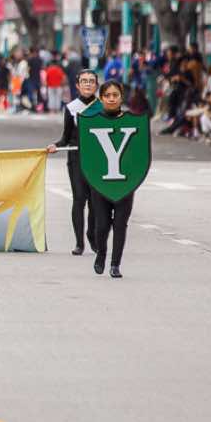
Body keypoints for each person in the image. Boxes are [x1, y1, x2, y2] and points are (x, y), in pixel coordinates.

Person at [83, 79, 134, 278]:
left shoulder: (131, 121)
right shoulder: (92, 121)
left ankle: (115, 264)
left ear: (121, 97)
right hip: (100, 182)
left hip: (125, 183)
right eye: (107, 95)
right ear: (101, 98)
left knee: (120, 224)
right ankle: (101, 254)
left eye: (115, 95)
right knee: (102, 225)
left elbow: (138, 155)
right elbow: (89, 155)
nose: (111, 99)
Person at [56, 69, 98, 255]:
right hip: (76, 160)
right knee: (79, 199)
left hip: (98, 162)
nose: (88, 84)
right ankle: (79, 242)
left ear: (96, 85)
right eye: (84, 81)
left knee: (96, 202)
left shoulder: (103, 107)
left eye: (91, 81)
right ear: (77, 86)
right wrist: (55, 145)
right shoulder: (71, 108)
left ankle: (92, 234)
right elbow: (65, 138)